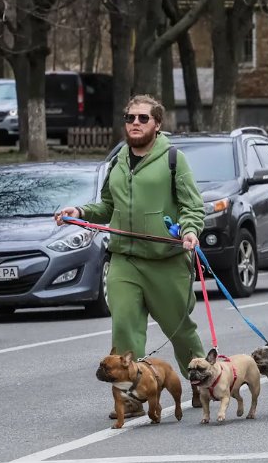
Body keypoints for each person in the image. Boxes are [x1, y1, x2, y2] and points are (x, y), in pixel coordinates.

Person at [55, 95, 206, 420]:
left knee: (180, 330)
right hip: (124, 259)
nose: (135, 123)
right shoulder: (118, 161)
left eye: (142, 118)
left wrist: (190, 231)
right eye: (129, 118)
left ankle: (201, 380)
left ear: (157, 124)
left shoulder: (174, 159)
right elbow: (107, 207)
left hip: (165, 259)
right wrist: (79, 211)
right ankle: (133, 396)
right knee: (124, 328)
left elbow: (192, 205)